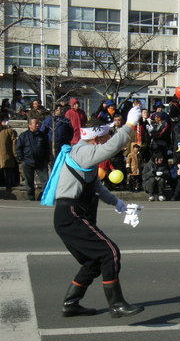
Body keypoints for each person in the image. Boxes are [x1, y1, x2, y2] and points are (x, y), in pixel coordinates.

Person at [48, 106, 144, 318]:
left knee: (94, 261)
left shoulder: (85, 157)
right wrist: (129, 125)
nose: (109, 136)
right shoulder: (82, 151)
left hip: (72, 216)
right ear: (96, 138)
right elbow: (110, 149)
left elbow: (96, 187)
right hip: (71, 214)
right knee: (109, 252)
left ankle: (71, 303)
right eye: (106, 134)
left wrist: (118, 203)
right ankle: (117, 304)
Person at [16, 118, 50, 200]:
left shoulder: (43, 136)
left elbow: (47, 148)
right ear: (30, 125)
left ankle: (46, 198)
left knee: (45, 181)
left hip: (41, 163)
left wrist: (46, 159)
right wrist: (22, 160)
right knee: (29, 182)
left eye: (38, 123)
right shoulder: (23, 136)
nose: (38, 125)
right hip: (28, 162)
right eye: (36, 123)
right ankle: (30, 198)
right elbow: (18, 149)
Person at [0, 115, 18, 193]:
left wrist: (15, 154)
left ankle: (9, 187)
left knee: (8, 173)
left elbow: (14, 143)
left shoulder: (8, 131)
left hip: (6, 155)